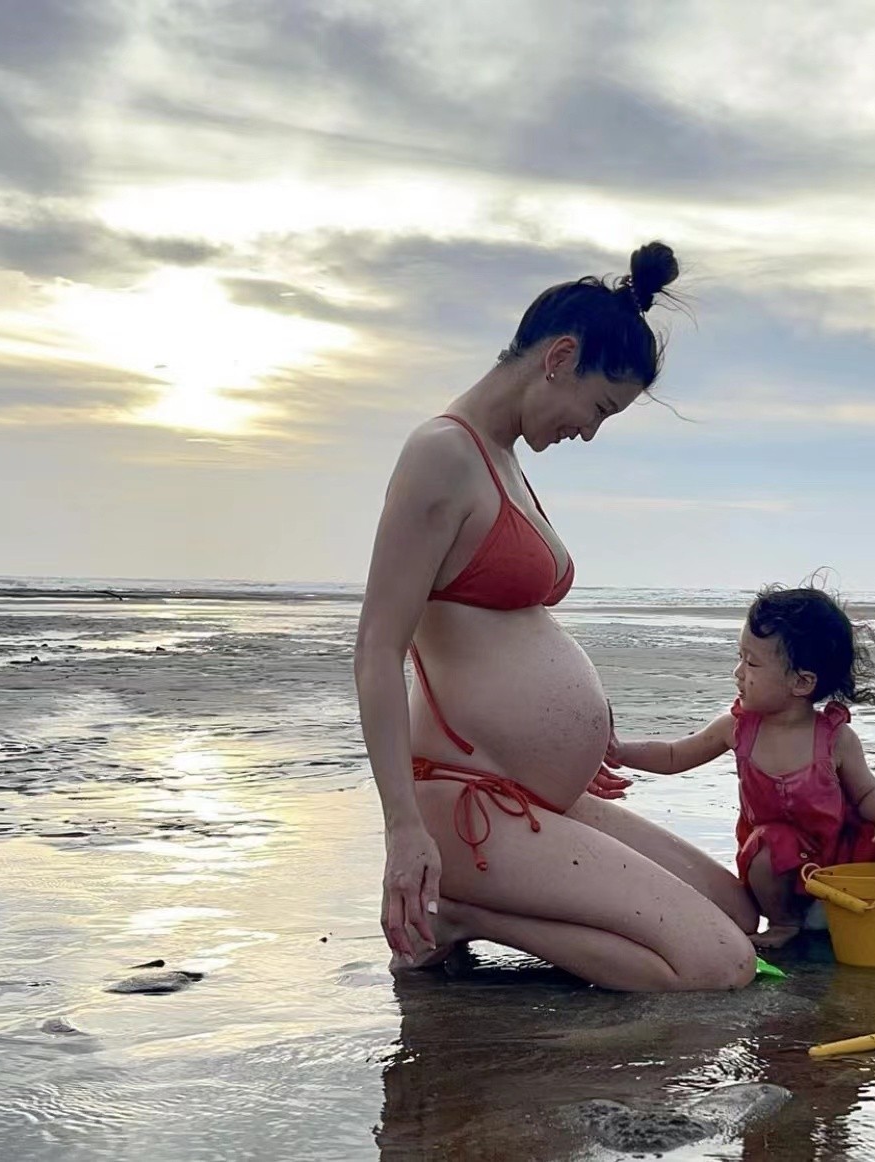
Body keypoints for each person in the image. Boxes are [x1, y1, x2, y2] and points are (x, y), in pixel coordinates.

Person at [354, 242, 757, 992]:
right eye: (599, 407)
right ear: (560, 357)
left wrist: (567, 742)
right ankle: (466, 913)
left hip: (529, 791)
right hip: (466, 800)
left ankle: (481, 904)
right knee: (720, 966)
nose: (591, 432)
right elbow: (379, 648)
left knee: (738, 912)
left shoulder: (502, 459)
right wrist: (402, 830)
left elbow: (496, 638)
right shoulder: (442, 454)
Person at [606, 584, 875, 950]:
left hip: (841, 862)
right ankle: (784, 922)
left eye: (751, 663)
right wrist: (620, 751)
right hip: (779, 873)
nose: (738, 672)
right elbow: (674, 755)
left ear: (801, 682)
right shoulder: (737, 728)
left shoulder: (835, 738)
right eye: (740, 657)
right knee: (768, 843)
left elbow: (868, 794)